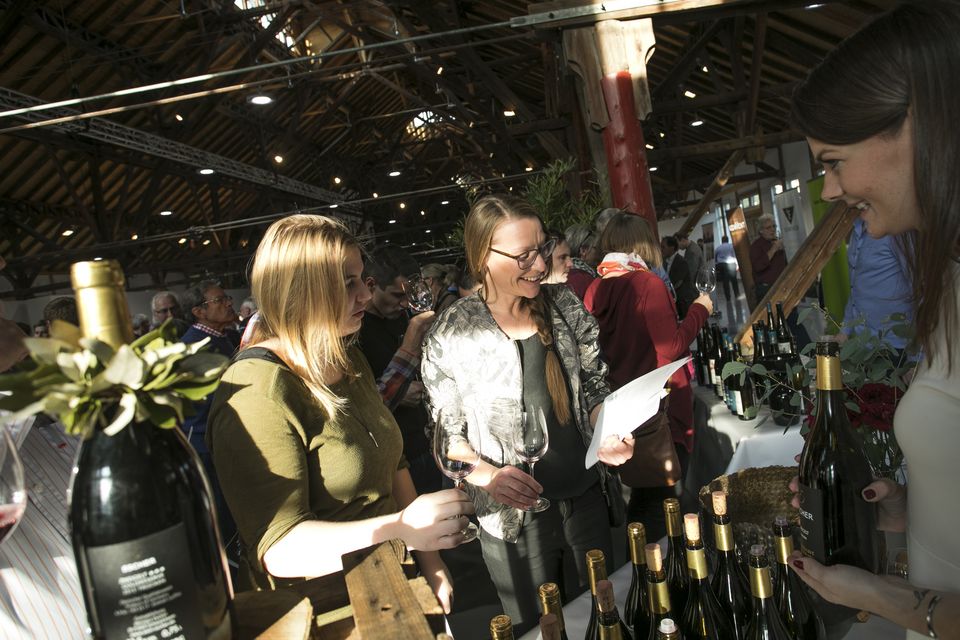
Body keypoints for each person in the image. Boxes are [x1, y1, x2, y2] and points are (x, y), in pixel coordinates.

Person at [788, 3, 960, 638]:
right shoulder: (947, 278)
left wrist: (891, 600)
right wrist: (909, 511)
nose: (830, 190)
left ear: (919, 127)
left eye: (833, 161)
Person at [207, 215, 473, 607]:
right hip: (330, 607)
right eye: (348, 283)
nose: (365, 295)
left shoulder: (345, 357)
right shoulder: (256, 390)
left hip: (393, 582)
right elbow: (278, 547)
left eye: (362, 279)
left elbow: (394, 465)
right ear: (300, 290)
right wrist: (401, 528)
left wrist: (430, 564)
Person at [421, 195, 634, 635]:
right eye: (524, 256)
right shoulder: (453, 331)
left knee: (605, 617)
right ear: (483, 256)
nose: (539, 265)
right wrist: (488, 477)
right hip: (512, 519)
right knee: (539, 628)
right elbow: (446, 435)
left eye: (543, 248)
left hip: (586, 499)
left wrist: (608, 429)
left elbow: (595, 385)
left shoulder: (565, 306)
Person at [584, 213, 713, 541]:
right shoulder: (646, 284)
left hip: (621, 408)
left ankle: (643, 565)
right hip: (659, 406)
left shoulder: (595, 288)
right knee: (661, 504)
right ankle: (660, 568)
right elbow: (670, 348)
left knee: (644, 498)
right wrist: (700, 310)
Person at [359, 246, 442, 494]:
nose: (405, 303)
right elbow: (361, 404)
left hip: (426, 442)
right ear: (371, 285)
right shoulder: (355, 332)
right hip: (394, 456)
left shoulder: (402, 317)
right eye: (397, 295)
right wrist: (399, 392)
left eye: (409, 295)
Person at [842, 218, 913, 350]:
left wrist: (917, 354)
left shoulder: (897, 231)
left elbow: (919, 287)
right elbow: (855, 288)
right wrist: (845, 330)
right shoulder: (857, 229)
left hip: (896, 345)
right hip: (864, 343)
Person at [749, 214, 787, 304]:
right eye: (768, 228)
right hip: (766, 290)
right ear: (761, 230)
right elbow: (758, 266)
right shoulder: (756, 246)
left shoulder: (777, 242)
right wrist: (773, 250)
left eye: (774, 226)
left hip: (782, 286)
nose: (772, 230)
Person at [662, 234, 698, 318]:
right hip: (674, 301)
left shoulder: (681, 262)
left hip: (683, 302)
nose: (661, 250)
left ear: (671, 248)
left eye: (663, 247)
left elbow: (677, 282)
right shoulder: (664, 261)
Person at [563, 223, 599, 300]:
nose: (600, 252)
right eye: (596, 248)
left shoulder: (560, 274)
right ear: (583, 250)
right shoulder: (584, 280)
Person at [714, 235, 741, 301]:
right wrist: (737, 265)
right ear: (728, 240)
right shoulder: (731, 246)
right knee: (734, 281)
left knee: (725, 282)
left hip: (722, 265)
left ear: (722, 241)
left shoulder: (718, 248)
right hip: (731, 264)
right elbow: (735, 255)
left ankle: (728, 298)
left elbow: (715, 258)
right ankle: (737, 295)